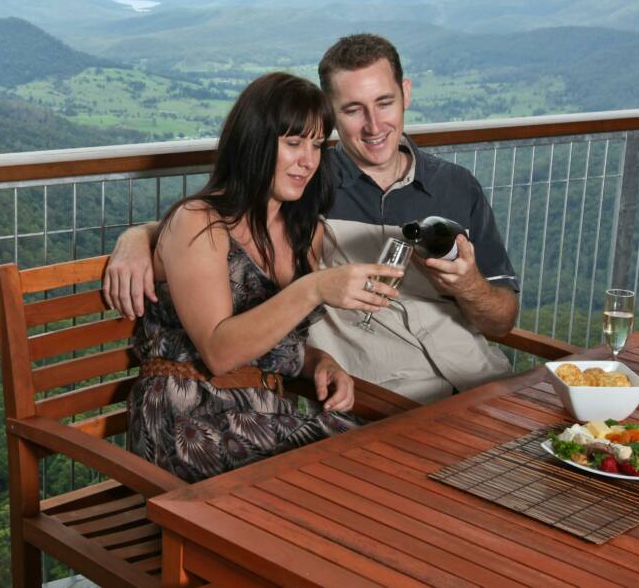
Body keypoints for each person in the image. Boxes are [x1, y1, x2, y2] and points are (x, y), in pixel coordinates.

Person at [107, 34, 520, 405]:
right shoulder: (310, 187)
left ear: (405, 94)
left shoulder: (457, 187)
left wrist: (471, 287)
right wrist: (140, 236)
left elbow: (502, 321)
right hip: (391, 403)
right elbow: (222, 219)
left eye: (384, 103)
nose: (374, 126)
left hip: (480, 382)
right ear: (332, 114)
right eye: (354, 110)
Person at [126, 72, 400, 482]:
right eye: (293, 143)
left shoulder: (304, 232)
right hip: (187, 420)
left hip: (264, 413)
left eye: (317, 145)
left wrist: (319, 362)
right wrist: (315, 288)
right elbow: (219, 352)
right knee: (358, 460)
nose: (308, 160)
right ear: (254, 142)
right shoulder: (200, 222)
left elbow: (271, 337)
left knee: (372, 453)